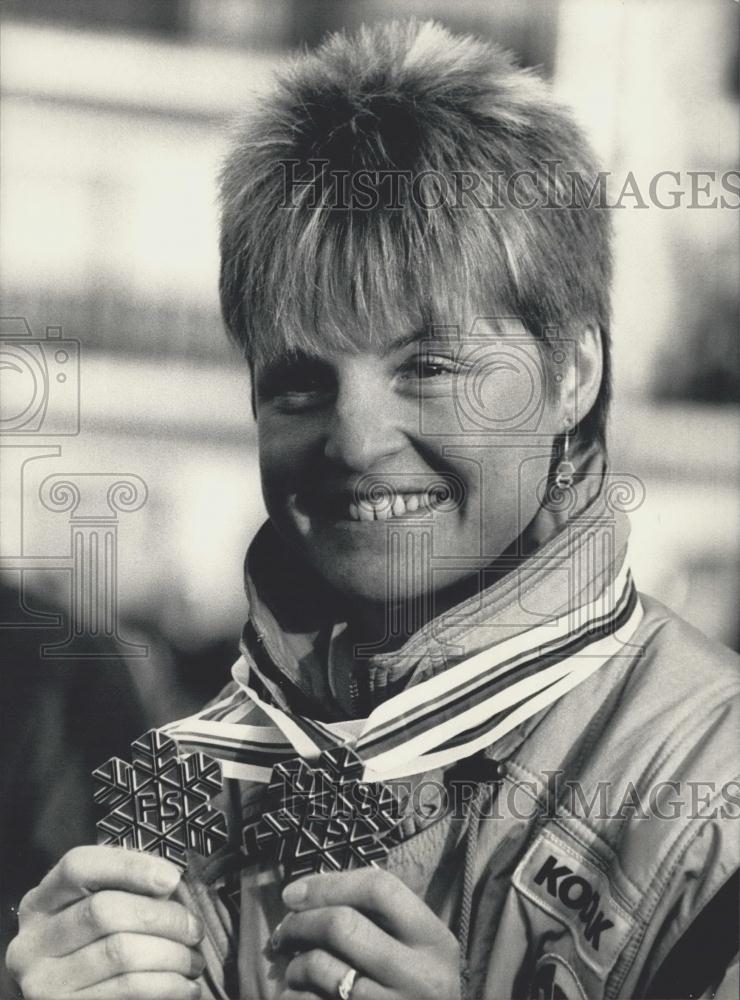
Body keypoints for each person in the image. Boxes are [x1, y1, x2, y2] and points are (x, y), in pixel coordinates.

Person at [7, 19, 739, 1000]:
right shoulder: (182, 779)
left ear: (572, 373)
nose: (354, 441)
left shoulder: (711, 806)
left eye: (428, 366)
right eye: (300, 383)